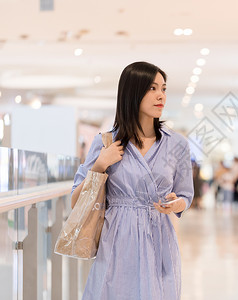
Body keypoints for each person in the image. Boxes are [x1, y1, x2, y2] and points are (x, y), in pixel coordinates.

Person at [70, 62, 194, 300]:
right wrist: (99, 165)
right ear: (132, 93)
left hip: (160, 238)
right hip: (117, 241)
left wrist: (176, 204)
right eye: (152, 88)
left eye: (163, 89)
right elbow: (77, 200)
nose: (161, 96)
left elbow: (186, 194)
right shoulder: (105, 143)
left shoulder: (177, 144)